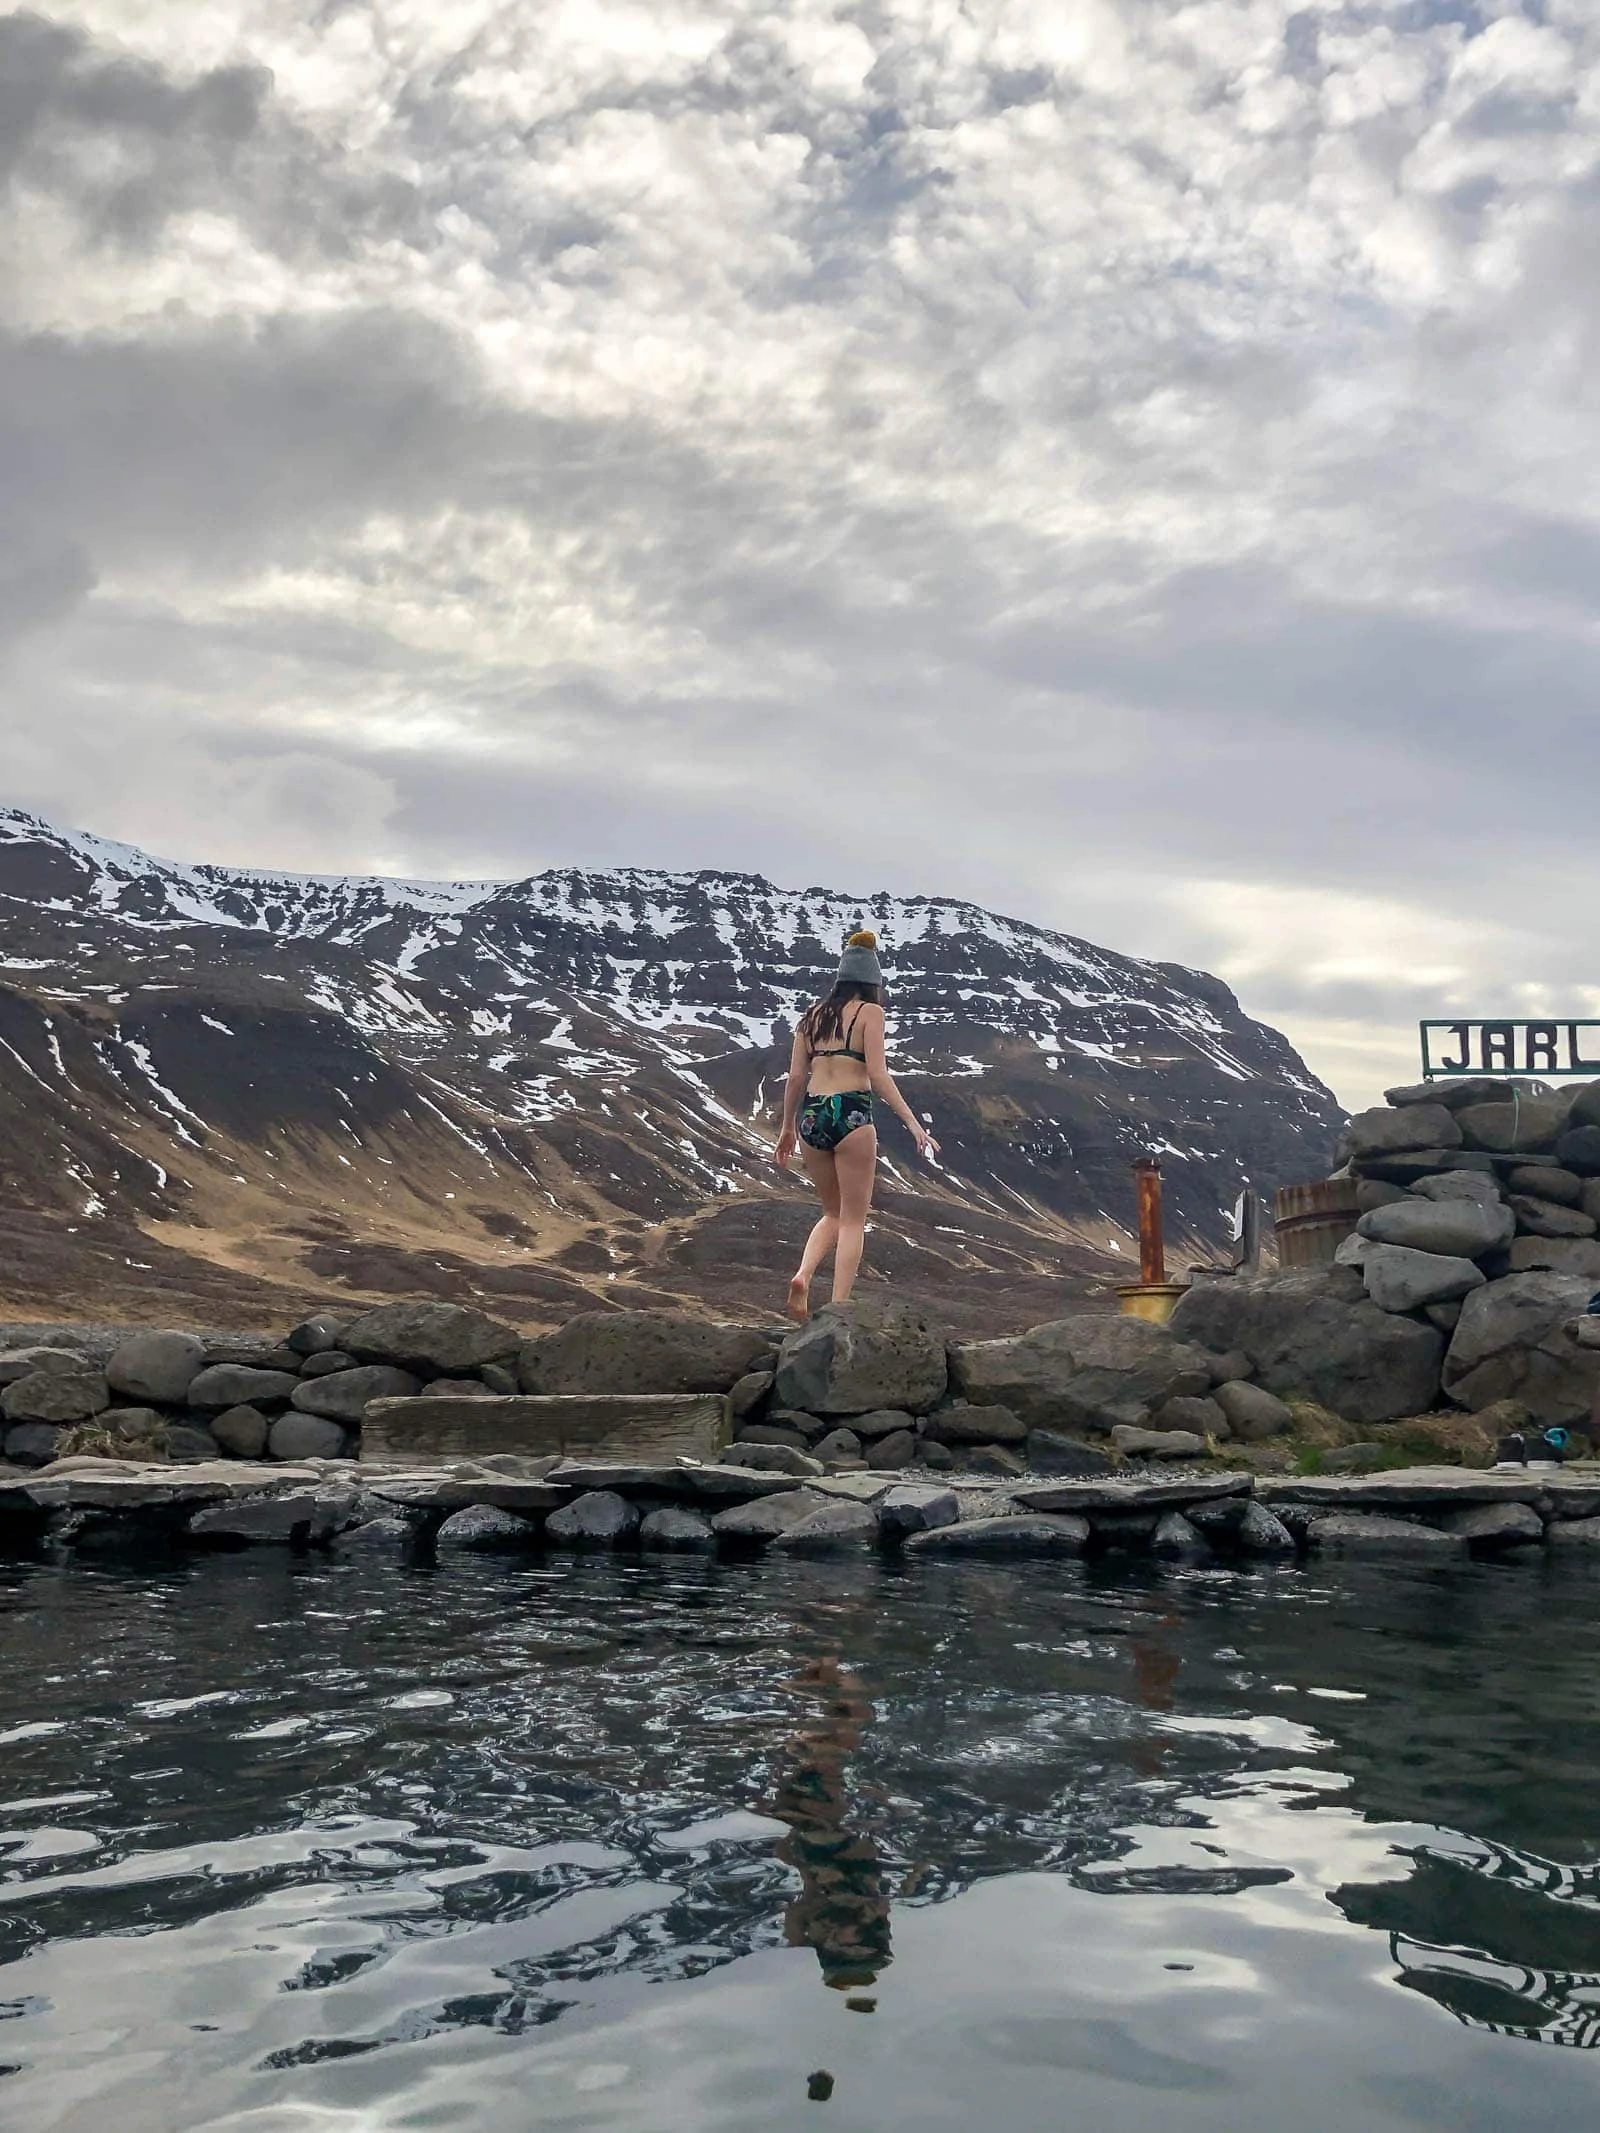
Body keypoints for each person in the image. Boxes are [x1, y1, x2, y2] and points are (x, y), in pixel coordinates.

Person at [774, 930, 938, 1322]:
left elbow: (795, 1078)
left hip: (812, 1114)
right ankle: (839, 1307)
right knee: (853, 1220)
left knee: (830, 1212)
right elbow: (879, 1075)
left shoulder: (810, 1017)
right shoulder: (871, 1014)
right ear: (872, 981)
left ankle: (802, 1275)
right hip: (851, 1112)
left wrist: (786, 1129)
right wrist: (914, 1125)